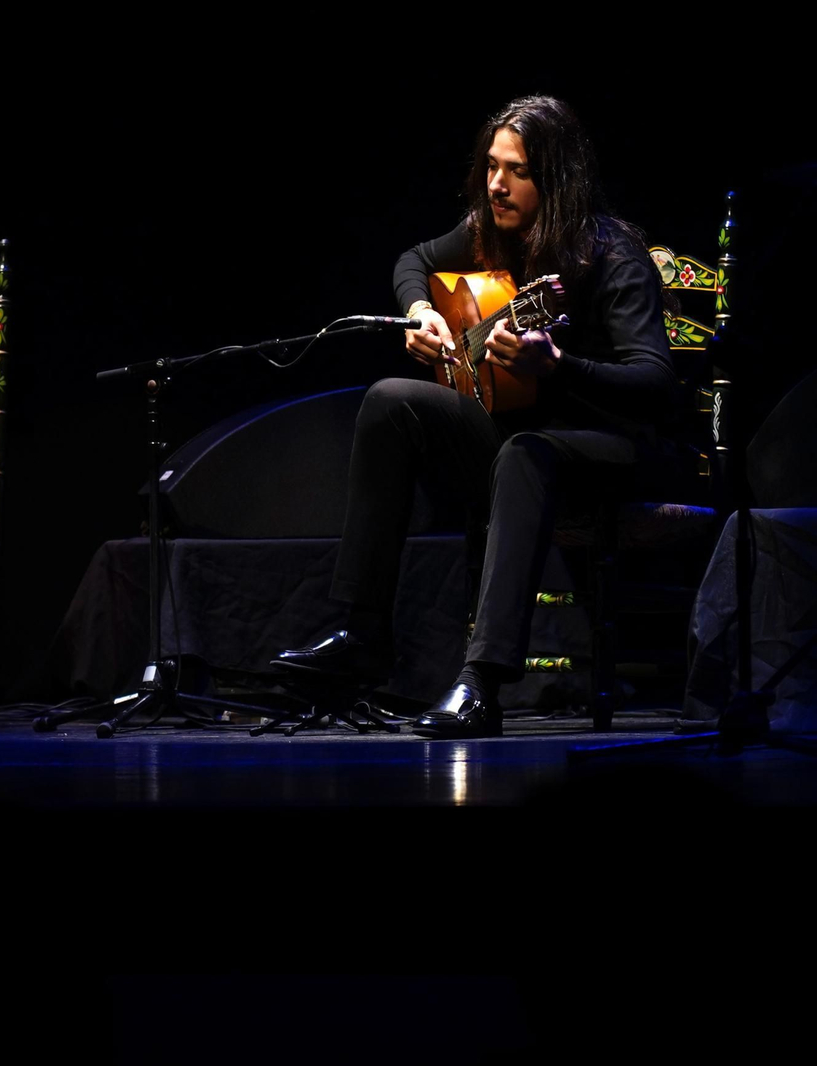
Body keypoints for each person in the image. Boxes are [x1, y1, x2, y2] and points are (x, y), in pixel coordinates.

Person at [270, 95, 685, 738]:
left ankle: (481, 684)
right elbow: (413, 260)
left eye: (515, 170)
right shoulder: (493, 230)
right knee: (389, 400)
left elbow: (657, 384)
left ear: (556, 177)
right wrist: (419, 312)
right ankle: (365, 632)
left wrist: (560, 367)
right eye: (491, 166)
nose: (496, 183)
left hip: (610, 449)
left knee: (528, 453)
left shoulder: (613, 256)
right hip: (521, 436)